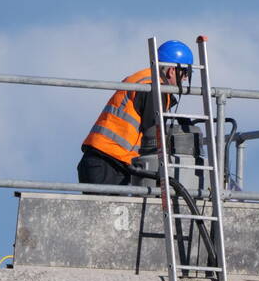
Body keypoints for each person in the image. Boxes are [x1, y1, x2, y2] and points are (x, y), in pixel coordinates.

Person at [78, 39, 194, 187]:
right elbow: (153, 135)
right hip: (108, 163)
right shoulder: (153, 88)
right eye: (185, 73)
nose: (184, 79)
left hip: (109, 161)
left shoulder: (145, 80)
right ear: (172, 71)